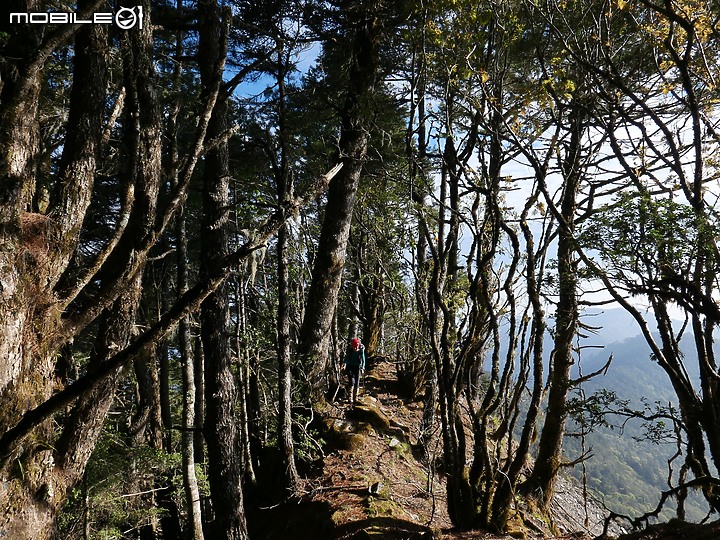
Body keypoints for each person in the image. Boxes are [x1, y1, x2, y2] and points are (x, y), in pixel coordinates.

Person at [343, 337, 365, 405]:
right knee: (351, 382)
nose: (355, 348)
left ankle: (355, 398)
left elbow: (363, 360)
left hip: (358, 367)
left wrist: (363, 367)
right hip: (350, 367)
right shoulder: (350, 351)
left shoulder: (361, 351)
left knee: (357, 382)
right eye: (354, 347)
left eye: (356, 347)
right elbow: (346, 359)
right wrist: (344, 365)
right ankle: (350, 398)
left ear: (358, 345)